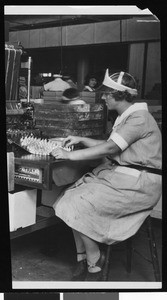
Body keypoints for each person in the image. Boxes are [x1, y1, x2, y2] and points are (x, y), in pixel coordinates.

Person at [51, 69, 162, 281]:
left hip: (140, 184)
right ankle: (83, 258)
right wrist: (80, 138)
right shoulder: (127, 116)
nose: (103, 97)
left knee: (77, 203)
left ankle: (94, 259)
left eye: (106, 94)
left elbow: (110, 149)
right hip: (124, 178)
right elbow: (112, 144)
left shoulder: (139, 118)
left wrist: (68, 155)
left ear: (119, 95)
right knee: (68, 198)